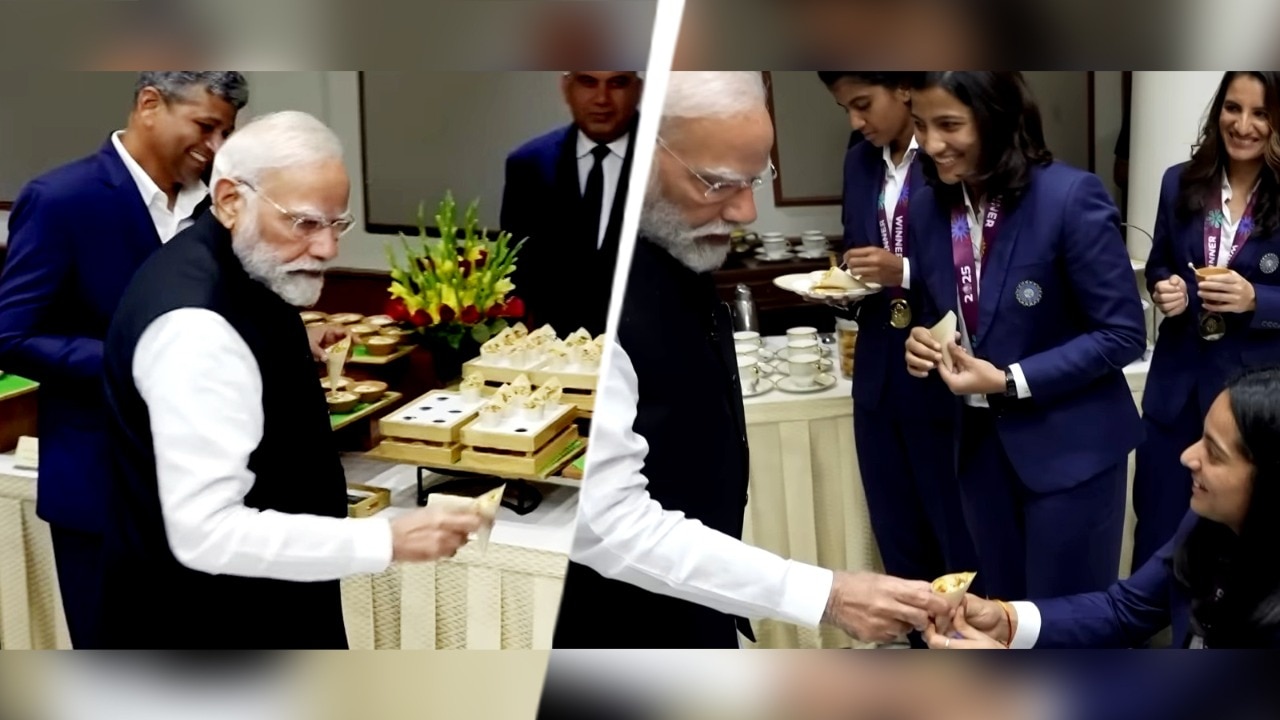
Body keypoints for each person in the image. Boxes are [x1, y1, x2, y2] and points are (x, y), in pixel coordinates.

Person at [553, 72, 949, 649]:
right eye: (717, 184)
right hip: (622, 623)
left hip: (689, 603)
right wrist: (828, 594)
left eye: (756, 179)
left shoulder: (674, 250)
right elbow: (607, 522)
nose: (745, 212)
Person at [97, 111, 487, 649]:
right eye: (304, 223)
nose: (328, 248)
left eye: (337, 224)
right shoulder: (200, 328)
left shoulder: (233, 265)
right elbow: (206, 534)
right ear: (232, 200)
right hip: (212, 626)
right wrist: (385, 540)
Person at [0, 71, 249, 648]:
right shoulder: (62, 199)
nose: (215, 148)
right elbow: (11, 333)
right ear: (149, 105)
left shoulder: (221, 205)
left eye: (227, 133)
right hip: (104, 492)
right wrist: (133, 361)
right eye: (205, 126)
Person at [903, 72, 1147, 599]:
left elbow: (1122, 332)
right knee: (1000, 621)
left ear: (995, 118)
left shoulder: (1069, 196)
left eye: (949, 125)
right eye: (920, 125)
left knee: (1066, 631)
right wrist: (922, 341)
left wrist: (1011, 379)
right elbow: (939, 310)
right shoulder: (926, 208)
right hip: (979, 458)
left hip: (1070, 457)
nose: (932, 144)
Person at [925, 366, 1280, 649]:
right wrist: (1004, 619)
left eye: (1214, 454)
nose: (1188, 457)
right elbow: (1124, 611)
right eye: (1200, 438)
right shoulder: (1207, 521)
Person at [817, 72, 978, 647]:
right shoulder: (860, 162)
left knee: (953, 532)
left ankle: (964, 650)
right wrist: (846, 282)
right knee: (897, 532)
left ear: (903, 88)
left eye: (863, 104)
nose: (856, 122)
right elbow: (856, 245)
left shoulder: (950, 156)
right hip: (879, 370)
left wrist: (903, 271)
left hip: (940, 366)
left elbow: (979, 266)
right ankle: (916, 650)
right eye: (845, 109)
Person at [1132, 71, 1280, 570]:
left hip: (1250, 405)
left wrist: (1256, 298)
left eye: (1261, 113)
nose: (1243, 125)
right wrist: (1164, 289)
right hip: (1176, 392)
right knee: (1157, 530)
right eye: (1233, 108)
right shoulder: (1180, 180)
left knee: (1239, 549)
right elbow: (1159, 264)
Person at [499, 71, 641, 337]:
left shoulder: (675, 160)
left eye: (617, 83)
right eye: (588, 82)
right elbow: (517, 274)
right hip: (556, 358)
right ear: (566, 87)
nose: (602, 99)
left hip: (652, 359)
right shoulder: (528, 165)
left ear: (638, 89)